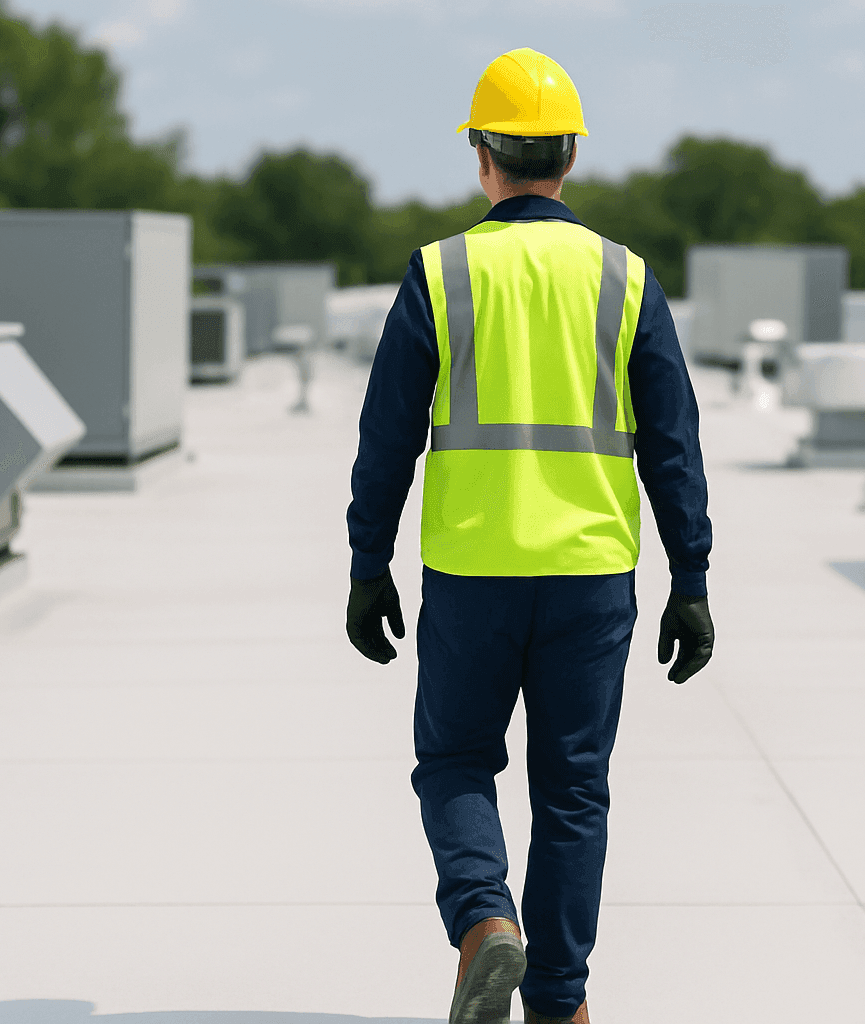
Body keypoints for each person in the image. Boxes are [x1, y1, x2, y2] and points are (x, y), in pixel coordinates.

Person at [344, 47, 714, 1024]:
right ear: (569, 159)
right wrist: (692, 577)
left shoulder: (443, 272)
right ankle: (560, 1003)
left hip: (473, 569)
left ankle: (482, 925)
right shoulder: (625, 278)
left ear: (483, 156)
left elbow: (386, 437)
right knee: (574, 792)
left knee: (457, 761)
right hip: (591, 574)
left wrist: (365, 562)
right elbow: (673, 439)